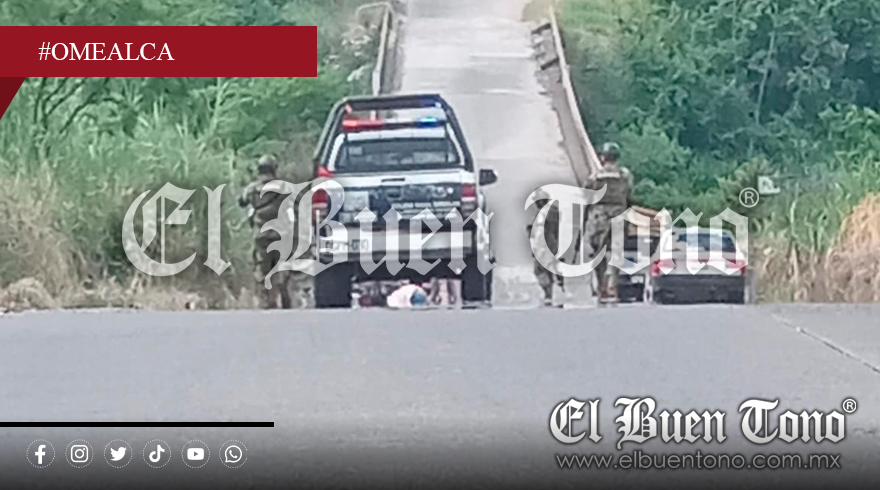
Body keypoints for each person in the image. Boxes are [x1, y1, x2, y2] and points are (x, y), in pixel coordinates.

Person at [239, 155, 295, 309]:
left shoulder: (252, 189)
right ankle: (283, 289)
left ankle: (266, 299)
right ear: (274, 169)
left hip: (261, 235)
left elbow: (242, 202)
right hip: (281, 234)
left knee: (263, 267)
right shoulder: (284, 188)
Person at [582, 142, 634, 304]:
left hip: (600, 217)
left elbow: (586, 198)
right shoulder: (625, 175)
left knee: (598, 253)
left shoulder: (595, 176)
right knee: (617, 252)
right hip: (619, 215)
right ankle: (613, 285)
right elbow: (630, 197)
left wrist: (585, 220)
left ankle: (601, 286)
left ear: (603, 157)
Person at [528, 189, 565, 307]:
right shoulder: (550, 211)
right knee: (548, 269)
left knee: (540, 270)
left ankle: (549, 294)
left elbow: (545, 230)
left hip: (546, 244)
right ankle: (553, 291)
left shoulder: (547, 212)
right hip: (548, 244)